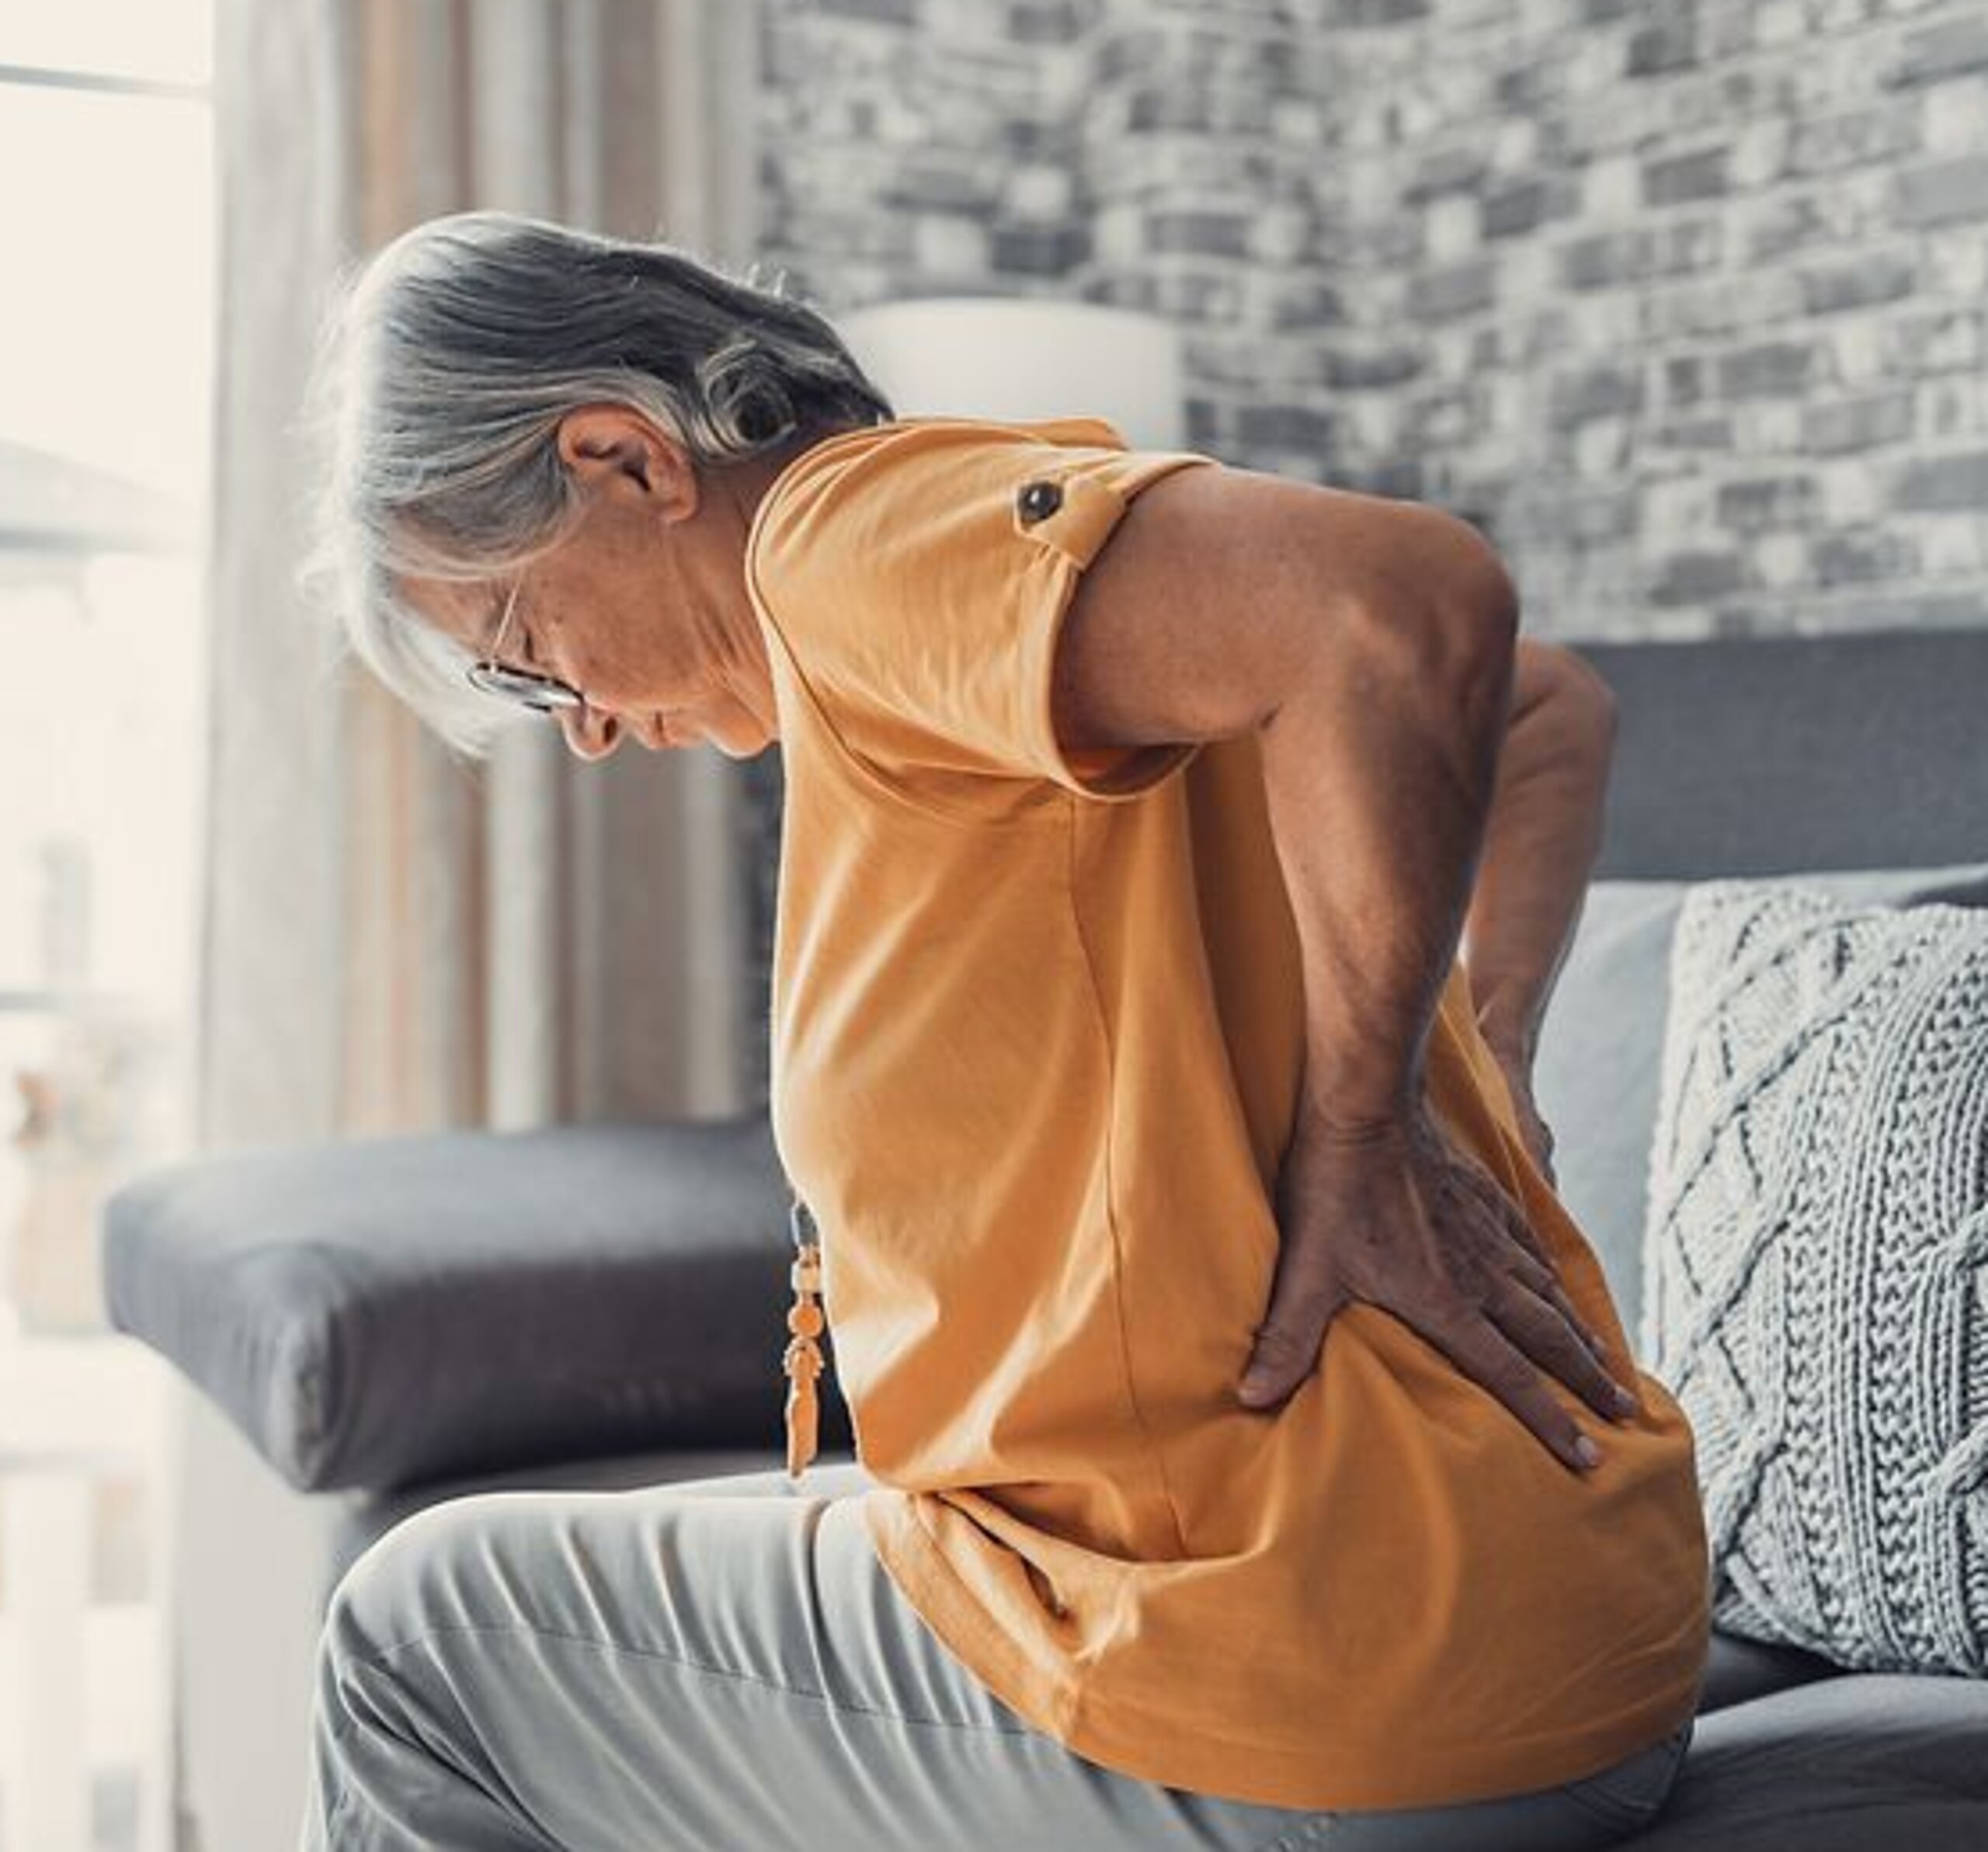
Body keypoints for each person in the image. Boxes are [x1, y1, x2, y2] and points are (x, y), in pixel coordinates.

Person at [295, 208, 1709, 1850]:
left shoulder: (847, 545)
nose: (588, 730)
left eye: (530, 652)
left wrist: (1366, 1124)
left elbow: (1404, 604)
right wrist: (1491, 1061)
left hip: (1319, 1684)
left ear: (626, 459)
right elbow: (1540, 710)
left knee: (412, 1637)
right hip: (1562, 1642)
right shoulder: (1013, 617)